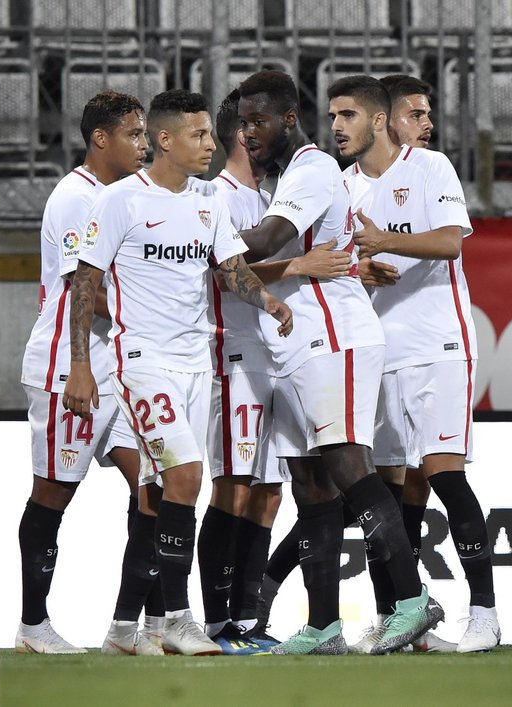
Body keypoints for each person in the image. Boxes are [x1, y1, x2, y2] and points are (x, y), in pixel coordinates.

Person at [63, 89, 293, 656]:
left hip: (198, 362)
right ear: (164, 140)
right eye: (200, 135)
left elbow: (231, 270)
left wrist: (268, 302)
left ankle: (124, 629)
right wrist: (80, 369)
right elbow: (84, 282)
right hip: (141, 361)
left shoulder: (209, 202)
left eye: (210, 135)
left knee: (154, 495)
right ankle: (176, 620)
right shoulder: (120, 202)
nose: (212, 144)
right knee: (188, 477)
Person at [235, 69, 442, 655]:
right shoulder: (286, 180)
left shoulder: (312, 169)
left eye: (259, 121)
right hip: (295, 345)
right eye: (244, 123)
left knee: (350, 466)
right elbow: (270, 262)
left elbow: (268, 240)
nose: (250, 133)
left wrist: (198, 232)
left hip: (336, 338)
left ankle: (411, 599)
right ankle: (324, 623)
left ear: (287, 120)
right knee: (309, 482)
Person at [329, 75, 500, 653]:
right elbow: (341, 262)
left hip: (438, 344)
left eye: (347, 116)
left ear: (378, 119)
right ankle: (400, 621)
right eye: (418, 112)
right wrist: (359, 267)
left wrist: (383, 242)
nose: (337, 128)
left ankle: (484, 614)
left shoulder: (431, 169)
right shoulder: (342, 185)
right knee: (391, 491)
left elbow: (451, 241)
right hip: (379, 353)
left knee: (446, 473)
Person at [199, 89, 350, 654]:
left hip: (273, 354)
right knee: (232, 488)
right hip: (232, 353)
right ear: (243, 134)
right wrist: (300, 265)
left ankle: (246, 621)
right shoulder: (217, 197)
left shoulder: (270, 193)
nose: (254, 134)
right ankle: (217, 623)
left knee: (267, 494)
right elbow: (223, 271)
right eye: (248, 125)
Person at [17, 90, 163, 655]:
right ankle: (32, 626)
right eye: (134, 134)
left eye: (146, 134)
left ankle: (134, 627)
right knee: (52, 495)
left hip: (121, 371)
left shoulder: (123, 197)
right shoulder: (78, 198)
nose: (144, 145)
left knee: (156, 483)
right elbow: (89, 290)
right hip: (69, 368)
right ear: (100, 139)